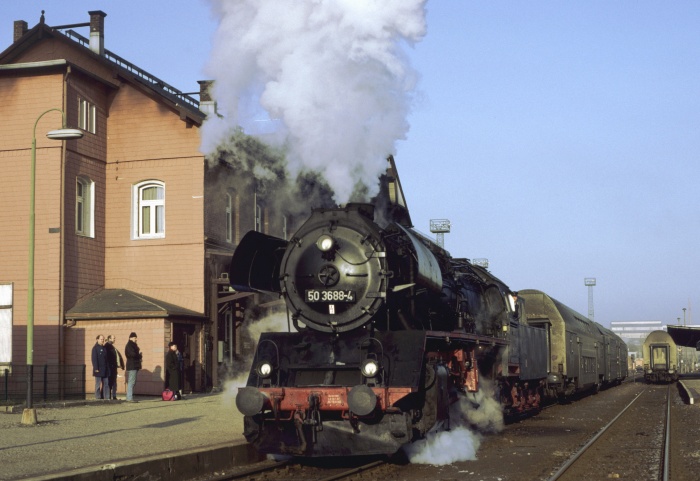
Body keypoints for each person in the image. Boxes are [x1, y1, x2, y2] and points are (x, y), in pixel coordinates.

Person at [105, 335, 124, 400]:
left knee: (113, 382)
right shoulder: (108, 346)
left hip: (113, 367)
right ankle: (110, 396)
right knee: (111, 382)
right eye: (113, 338)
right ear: (109, 338)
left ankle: (113, 395)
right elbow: (109, 357)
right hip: (111, 367)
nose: (114, 339)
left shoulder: (111, 346)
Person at [124, 332, 142, 403]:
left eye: (136, 338)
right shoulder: (130, 345)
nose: (136, 339)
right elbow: (133, 354)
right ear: (130, 338)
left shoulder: (131, 345)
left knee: (132, 382)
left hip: (134, 365)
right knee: (131, 382)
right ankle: (129, 397)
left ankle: (130, 397)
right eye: (134, 338)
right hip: (132, 366)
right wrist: (139, 355)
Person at [91, 334, 110, 400]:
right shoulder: (95, 348)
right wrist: (96, 368)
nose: (102, 340)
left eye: (103, 339)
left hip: (105, 370)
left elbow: (106, 359)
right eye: (101, 339)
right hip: (98, 369)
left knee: (106, 384)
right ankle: (98, 397)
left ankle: (106, 397)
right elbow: (94, 359)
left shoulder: (104, 348)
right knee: (98, 384)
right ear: (97, 340)